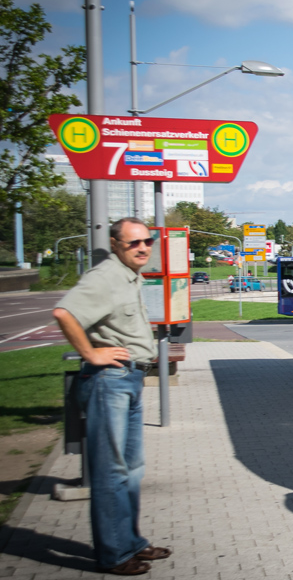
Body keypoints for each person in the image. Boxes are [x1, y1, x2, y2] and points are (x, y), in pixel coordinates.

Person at [52, 218, 172, 576]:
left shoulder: (129, 276)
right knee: (110, 472)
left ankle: (131, 542)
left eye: (147, 241)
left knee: (131, 470)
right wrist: (91, 354)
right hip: (109, 382)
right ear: (116, 245)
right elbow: (64, 312)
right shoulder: (104, 276)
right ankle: (114, 555)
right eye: (134, 243)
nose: (143, 248)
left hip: (129, 380)